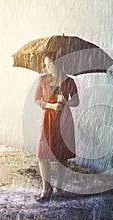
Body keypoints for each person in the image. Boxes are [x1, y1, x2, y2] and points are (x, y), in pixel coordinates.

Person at [34, 56, 79, 201]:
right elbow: (36, 100)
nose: (48, 68)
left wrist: (66, 101)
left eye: (51, 64)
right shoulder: (42, 80)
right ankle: (46, 187)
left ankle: (59, 186)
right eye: (46, 65)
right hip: (48, 120)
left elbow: (77, 101)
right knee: (42, 154)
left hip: (64, 121)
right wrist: (51, 105)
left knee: (62, 155)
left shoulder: (69, 81)